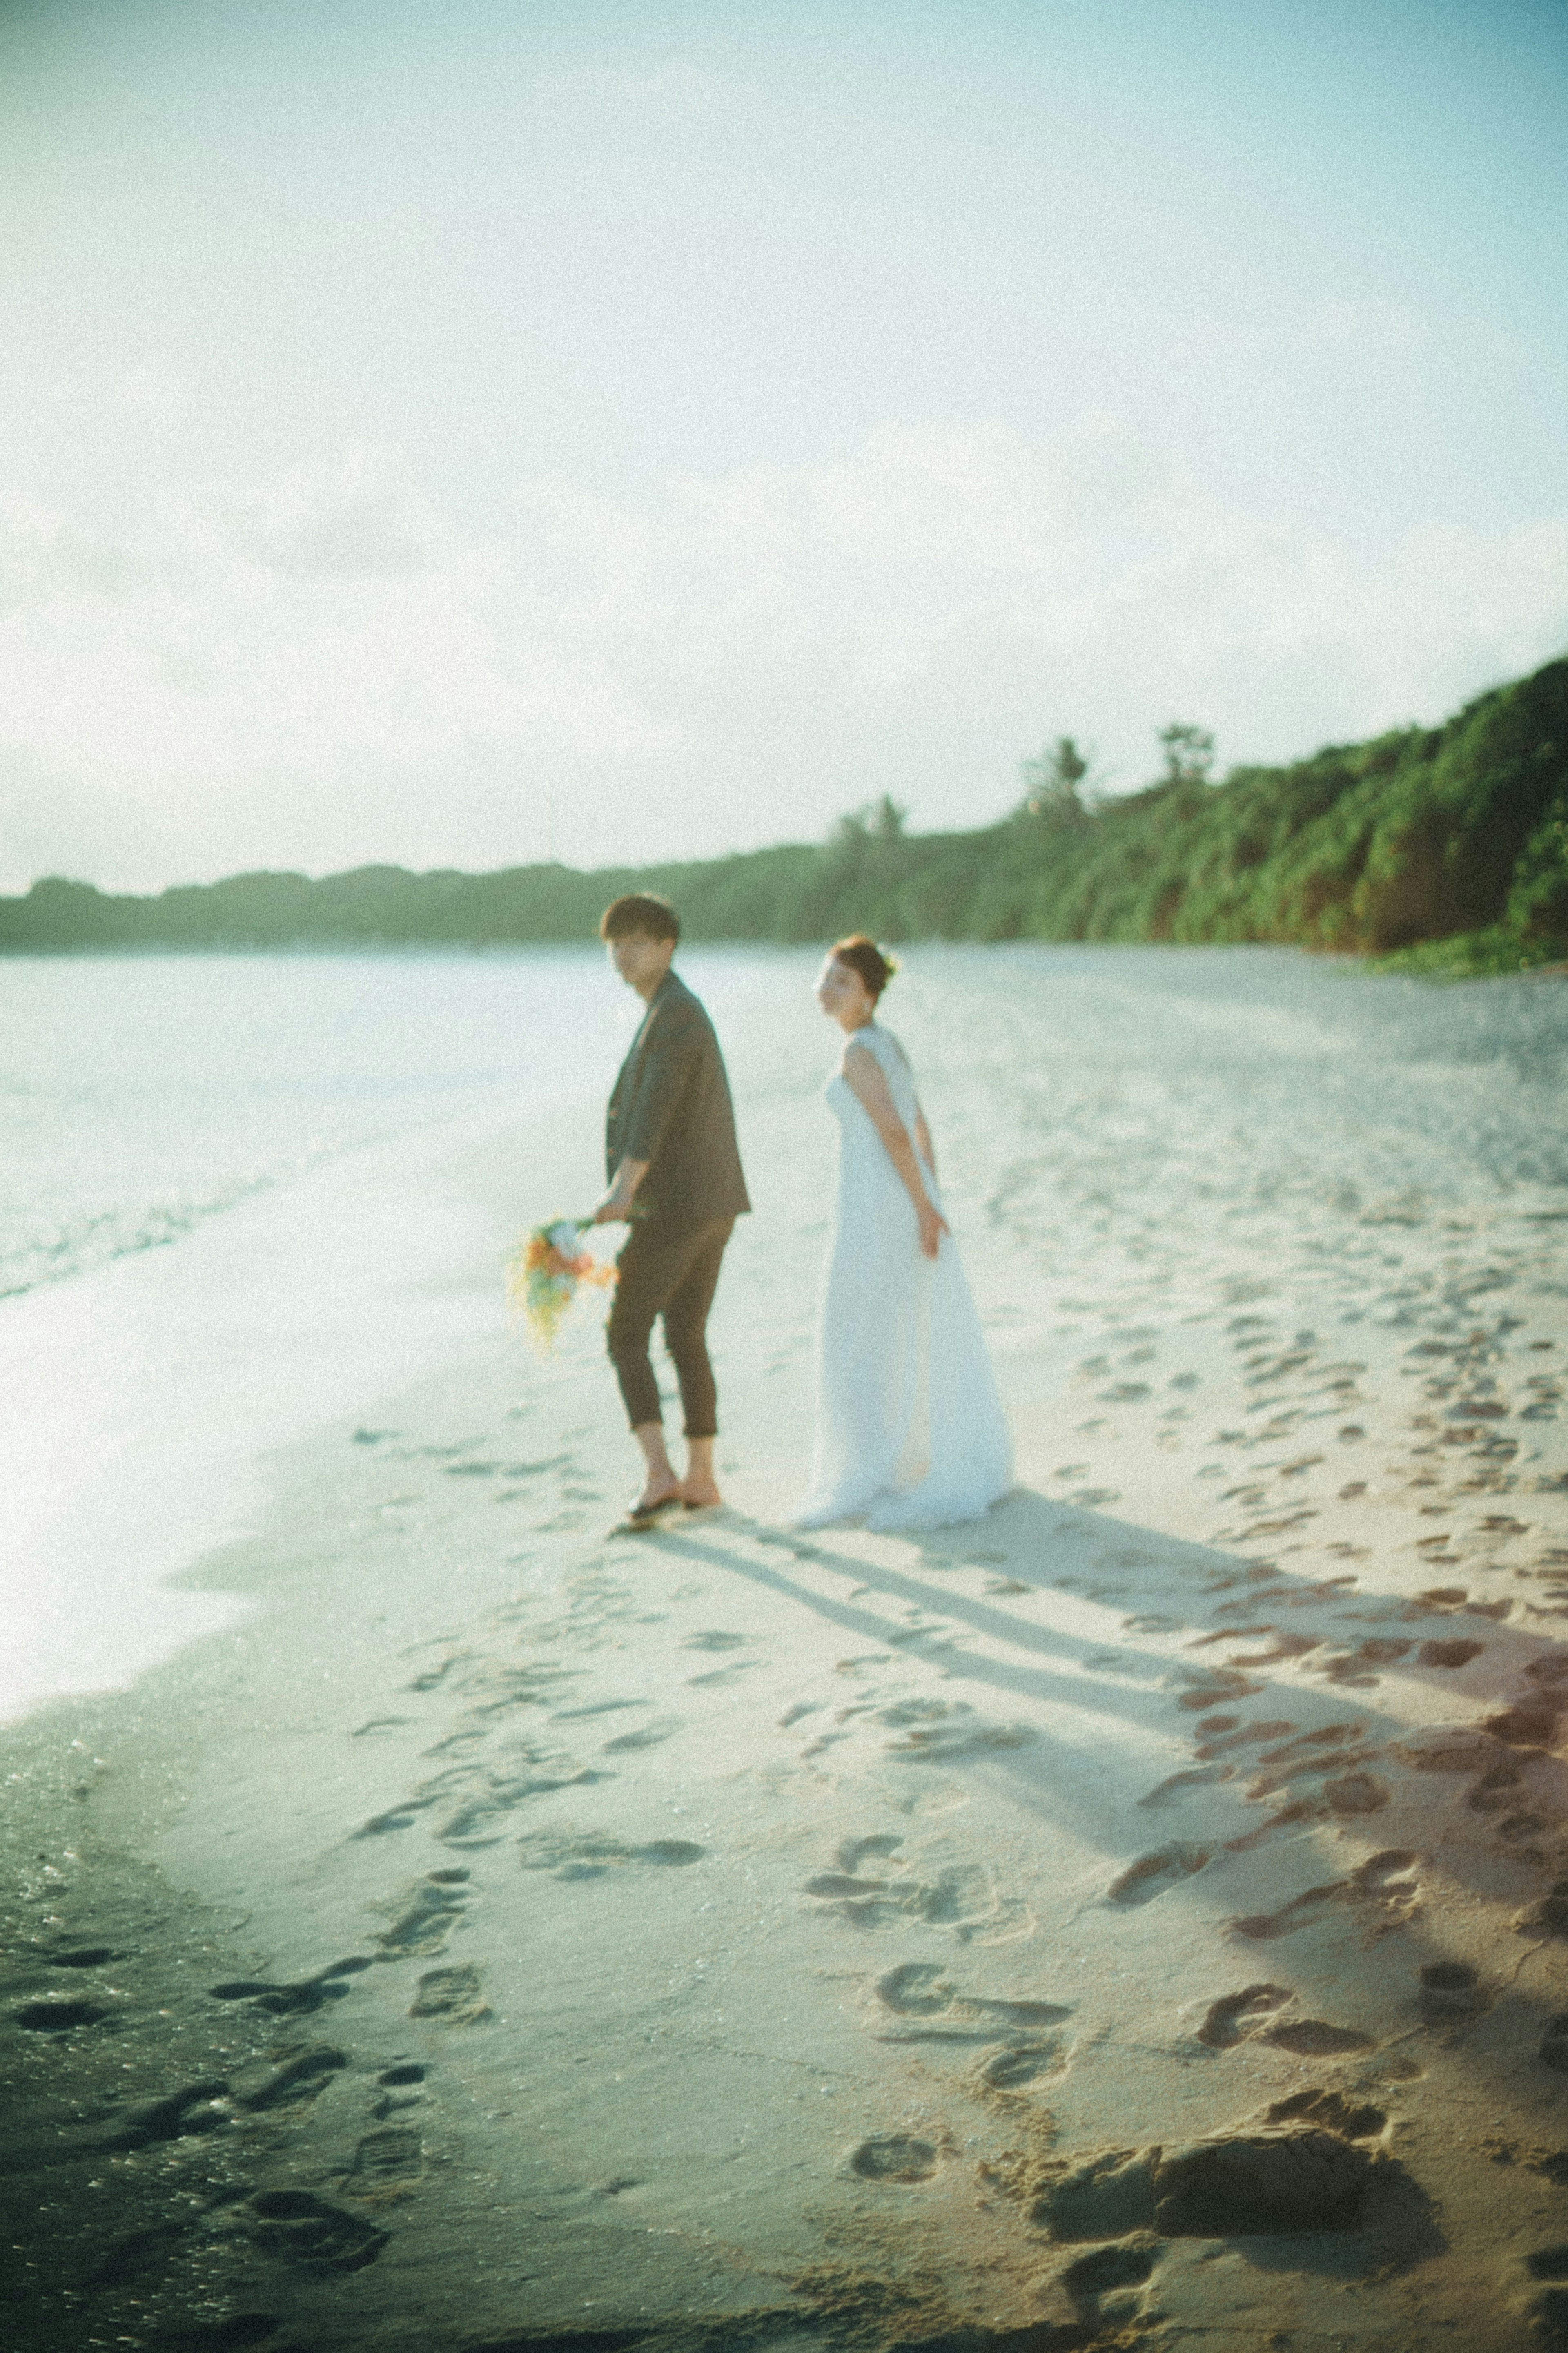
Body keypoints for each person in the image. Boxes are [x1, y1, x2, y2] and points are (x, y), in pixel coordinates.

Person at [796, 935, 1011, 1530]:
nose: (828, 988)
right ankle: (889, 1454)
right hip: (893, 1197)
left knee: (859, 1329)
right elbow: (920, 1124)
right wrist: (929, 1196)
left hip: (877, 1203)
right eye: (826, 976)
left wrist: (923, 1203)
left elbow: (898, 1128)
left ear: (867, 994)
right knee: (889, 1325)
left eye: (842, 981)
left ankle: (868, 1464)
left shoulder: (860, 1054)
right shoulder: (886, 1043)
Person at [593, 894, 750, 1523]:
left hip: (679, 1207)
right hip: (712, 1202)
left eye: (636, 942)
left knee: (625, 1332)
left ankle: (661, 1473)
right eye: (615, 943)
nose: (623, 955)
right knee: (686, 1334)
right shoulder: (672, 1008)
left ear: (667, 947)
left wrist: (624, 1190)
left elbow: (655, 1110)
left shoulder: (674, 1014)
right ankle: (702, 1479)